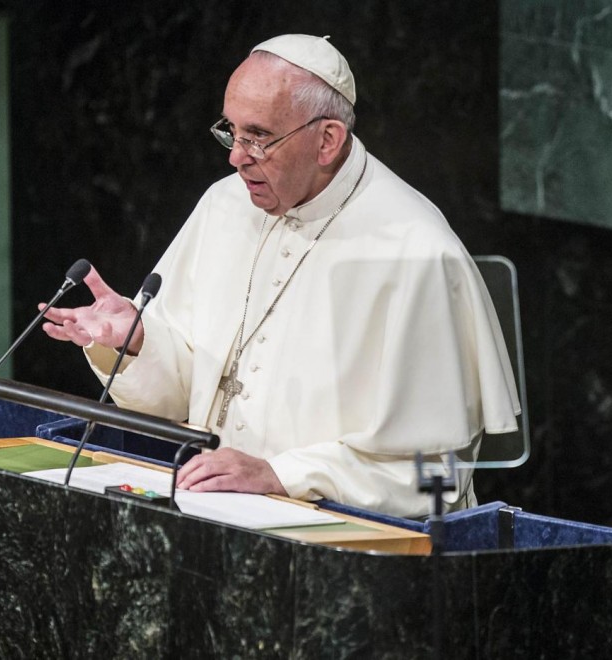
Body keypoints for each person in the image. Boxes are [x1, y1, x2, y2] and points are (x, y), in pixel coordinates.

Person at [41, 34, 520, 518]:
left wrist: (282, 475)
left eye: (259, 137)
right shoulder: (224, 206)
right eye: (231, 132)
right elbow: (183, 395)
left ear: (327, 140)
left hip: (351, 549)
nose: (236, 156)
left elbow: (434, 475)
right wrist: (138, 342)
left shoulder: (417, 251)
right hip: (218, 520)